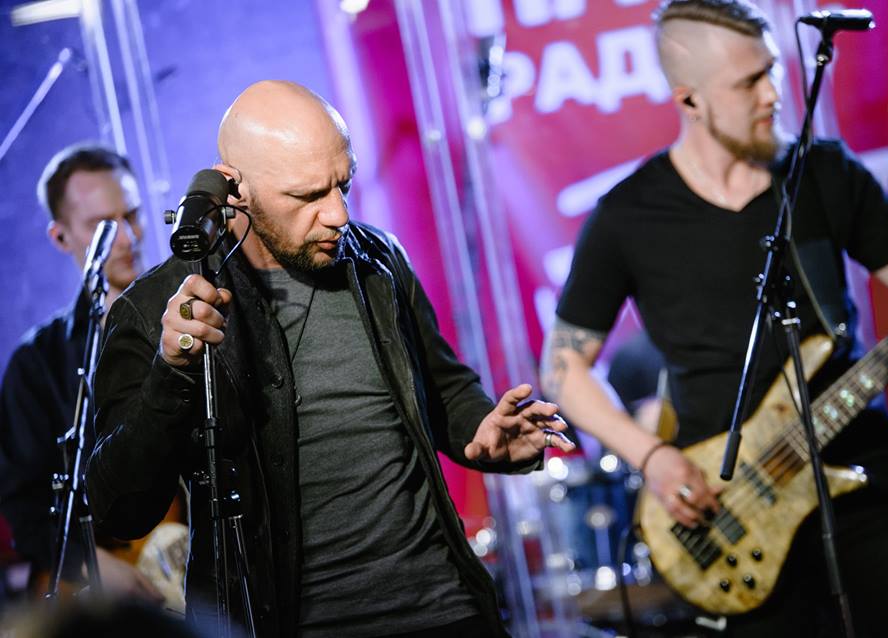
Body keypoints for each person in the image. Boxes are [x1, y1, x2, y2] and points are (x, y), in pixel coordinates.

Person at [86, 80, 574, 637]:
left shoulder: (378, 259)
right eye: (308, 196)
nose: (338, 214)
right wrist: (172, 372)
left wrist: (481, 430)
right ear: (234, 189)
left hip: (444, 609)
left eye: (344, 184)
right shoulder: (156, 309)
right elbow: (121, 508)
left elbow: (442, 386)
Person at [540, 0, 888, 635]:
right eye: (748, 82)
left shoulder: (825, 173)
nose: (773, 94)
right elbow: (564, 369)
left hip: (862, 487)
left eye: (772, 70)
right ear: (689, 100)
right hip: (727, 508)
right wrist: (652, 458)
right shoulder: (628, 214)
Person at [0, 144, 163, 602]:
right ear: (60, 236)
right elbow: (24, 504)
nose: (127, 237)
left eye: (132, 215)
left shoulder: (188, 319)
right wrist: (89, 564)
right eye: (102, 226)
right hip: (111, 591)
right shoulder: (37, 363)